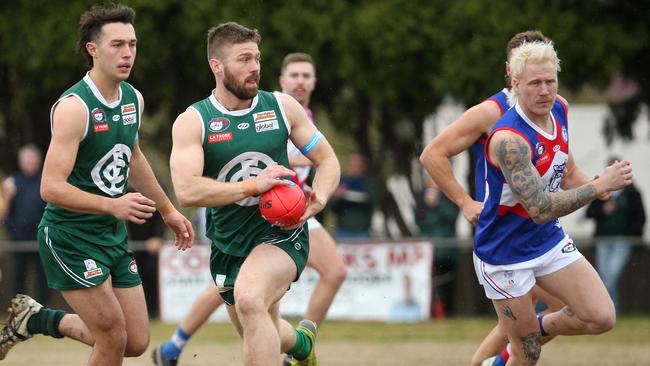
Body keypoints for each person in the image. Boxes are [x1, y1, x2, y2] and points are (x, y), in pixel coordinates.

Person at [0, 5, 194, 365]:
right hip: (69, 236)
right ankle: (37, 317)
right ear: (93, 49)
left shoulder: (132, 99)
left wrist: (168, 210)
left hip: (111, 234)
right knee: (112, 337)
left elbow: (133, 156)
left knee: (134, 341)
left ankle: (36, 318)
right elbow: (51, 188)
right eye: (117, 44)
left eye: (132, 44)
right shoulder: (74, 107)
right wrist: (113, 204)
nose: (127, 53)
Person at [153, 52, 347, 366]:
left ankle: (176, 344)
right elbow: (186, 192)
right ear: (216, 65)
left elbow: (327, 159)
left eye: (257, 58)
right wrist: (253, 186)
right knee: (256, 327)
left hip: (282, 226)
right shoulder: (195, 120)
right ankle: (301, 344)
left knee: (251, 297)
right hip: (229, 235)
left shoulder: (284, 108)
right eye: (244, 59)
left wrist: (320, 196)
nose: (254, 66)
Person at [472, 40, 630, 365]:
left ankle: (527, 334)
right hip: (504, 253)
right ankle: (517, 346)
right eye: (534, 83)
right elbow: (541, 209)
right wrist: (599, 185)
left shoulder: (560, 108)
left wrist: (594, 187)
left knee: (602, 316)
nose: (545, 91)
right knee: (529, 354)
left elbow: (566, 169)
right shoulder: (508, 141)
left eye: (550, 81)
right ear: (515, 84)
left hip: (546, 241)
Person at [421, 31, 568, 366]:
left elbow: (567, 168)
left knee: (524, 319)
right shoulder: (492, 111)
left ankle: (495, 363)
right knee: (531, 317)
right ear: (510, 70)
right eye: (524, 65)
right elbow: (432, 154)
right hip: (503, 234)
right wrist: (464, 202)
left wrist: (601, 186)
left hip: (542, 231)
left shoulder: (553, 111)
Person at [586, 156, 646, 312]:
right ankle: (612, 311)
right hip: (603, 240)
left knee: (610, 276)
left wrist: (631, 235)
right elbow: (590, 212)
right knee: (604, 277)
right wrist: (602, 210)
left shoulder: (632, 193)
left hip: (622, 241)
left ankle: (609, 311)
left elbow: (640, 218)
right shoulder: (602, 190)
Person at [0, 144, 49, 304]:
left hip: (41, 239)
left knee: (43, 279)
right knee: (18, 278)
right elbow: (3, 215)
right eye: (26, 159)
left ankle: (43, 312)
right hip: (18, 240)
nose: (29, 162)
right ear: (20, 161)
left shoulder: (46, 180)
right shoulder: (12, 182)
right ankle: (19, 312)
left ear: (39, 160)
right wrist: (7, 196)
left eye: (32, 159)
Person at [414, 177, 459, 316]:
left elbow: (452, 216)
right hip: (427, 252)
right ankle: (429, 313)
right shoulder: (422, 201)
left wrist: (437, 203)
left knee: (447, 286)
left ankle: (447, 313)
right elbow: (420, 221)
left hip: (446, 251)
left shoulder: (449, 199)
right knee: (428, 286)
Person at [126, 185, 168, 319]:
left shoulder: (155, 185)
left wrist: (157, 236)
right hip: (126, 245)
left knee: (150, 276)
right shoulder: (120, 186)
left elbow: (163, 212)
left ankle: (153, 312)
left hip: (149, 246)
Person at [330, 153, 377, 240]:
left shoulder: (368, 183)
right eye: (353, 165)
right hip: (342, 231)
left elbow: (373, 202)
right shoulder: (341, 182)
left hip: (363, 231)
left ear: (363, 167)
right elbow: (332, 208)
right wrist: (336, 198)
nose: (355, 168)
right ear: (349, 165)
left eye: (358, 165)